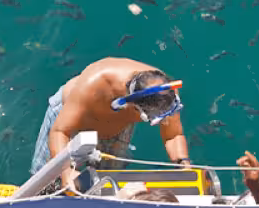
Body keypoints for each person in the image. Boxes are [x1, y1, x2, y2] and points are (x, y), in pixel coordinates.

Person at [30, 57, 190, 191]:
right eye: (152, 118)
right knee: (49, 182)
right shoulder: (95, 82)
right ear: (133, 107)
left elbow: (174, 135)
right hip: (71, 122)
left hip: (116, 127)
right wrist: (65, 173)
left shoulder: (165, 94)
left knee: (107, 184)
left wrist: (184, 165)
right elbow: (59, 131)